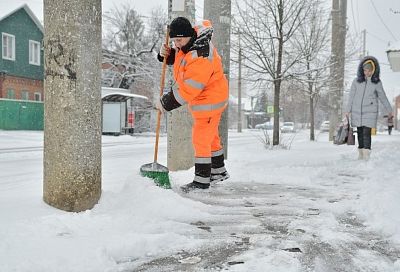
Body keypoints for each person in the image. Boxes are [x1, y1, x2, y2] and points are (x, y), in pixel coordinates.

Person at [156, 17, 229, 192]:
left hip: (210, 101)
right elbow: (182, 60)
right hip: (208, 99)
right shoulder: (190, 44)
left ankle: (201, 181)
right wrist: (166, 55)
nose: (177, 44)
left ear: (189, 35)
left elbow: (189, 89)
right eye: (174, 41)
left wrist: (164, 103)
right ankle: (218, 172)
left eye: (179, 40)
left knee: (201, 139)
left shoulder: (201, 55)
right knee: (211, 137)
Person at [345, 56, 393, 160]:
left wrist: (390, 110)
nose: (367, 72)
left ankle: (366, 154)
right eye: (365, 70)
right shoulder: (356, 81)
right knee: (360, 133)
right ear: (362, 70)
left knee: (366, 133)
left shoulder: (376, 83)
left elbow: (383, 97)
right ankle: (361, 153)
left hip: (370, 111)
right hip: (357, 111)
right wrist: (348, 110)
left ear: (373, 70)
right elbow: (351, 97)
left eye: (369, 70)